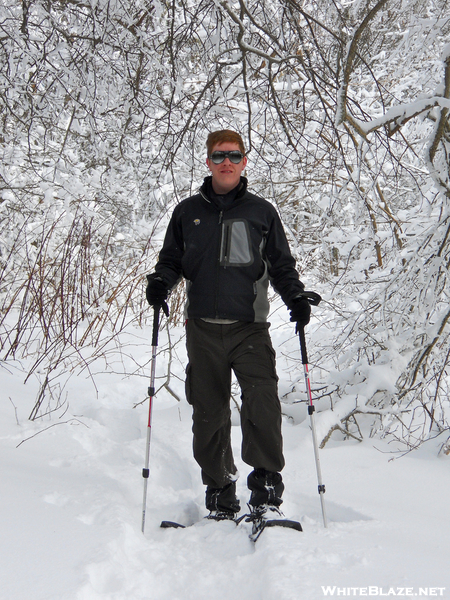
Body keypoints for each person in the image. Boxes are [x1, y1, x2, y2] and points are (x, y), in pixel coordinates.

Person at [146, 129, 313, 522]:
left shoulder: (261, 212)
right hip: (202, 328)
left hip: (249, 327)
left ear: (244, 162)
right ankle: (220, 494)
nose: (227, 163)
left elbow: (281, 265)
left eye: (234, 156)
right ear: (207, 161)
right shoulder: (188, 211)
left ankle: (266, 494)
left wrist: (296, 298)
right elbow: (171, 260)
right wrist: (160, 283)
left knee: (262, 403)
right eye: (219, 156)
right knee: (208, 412)